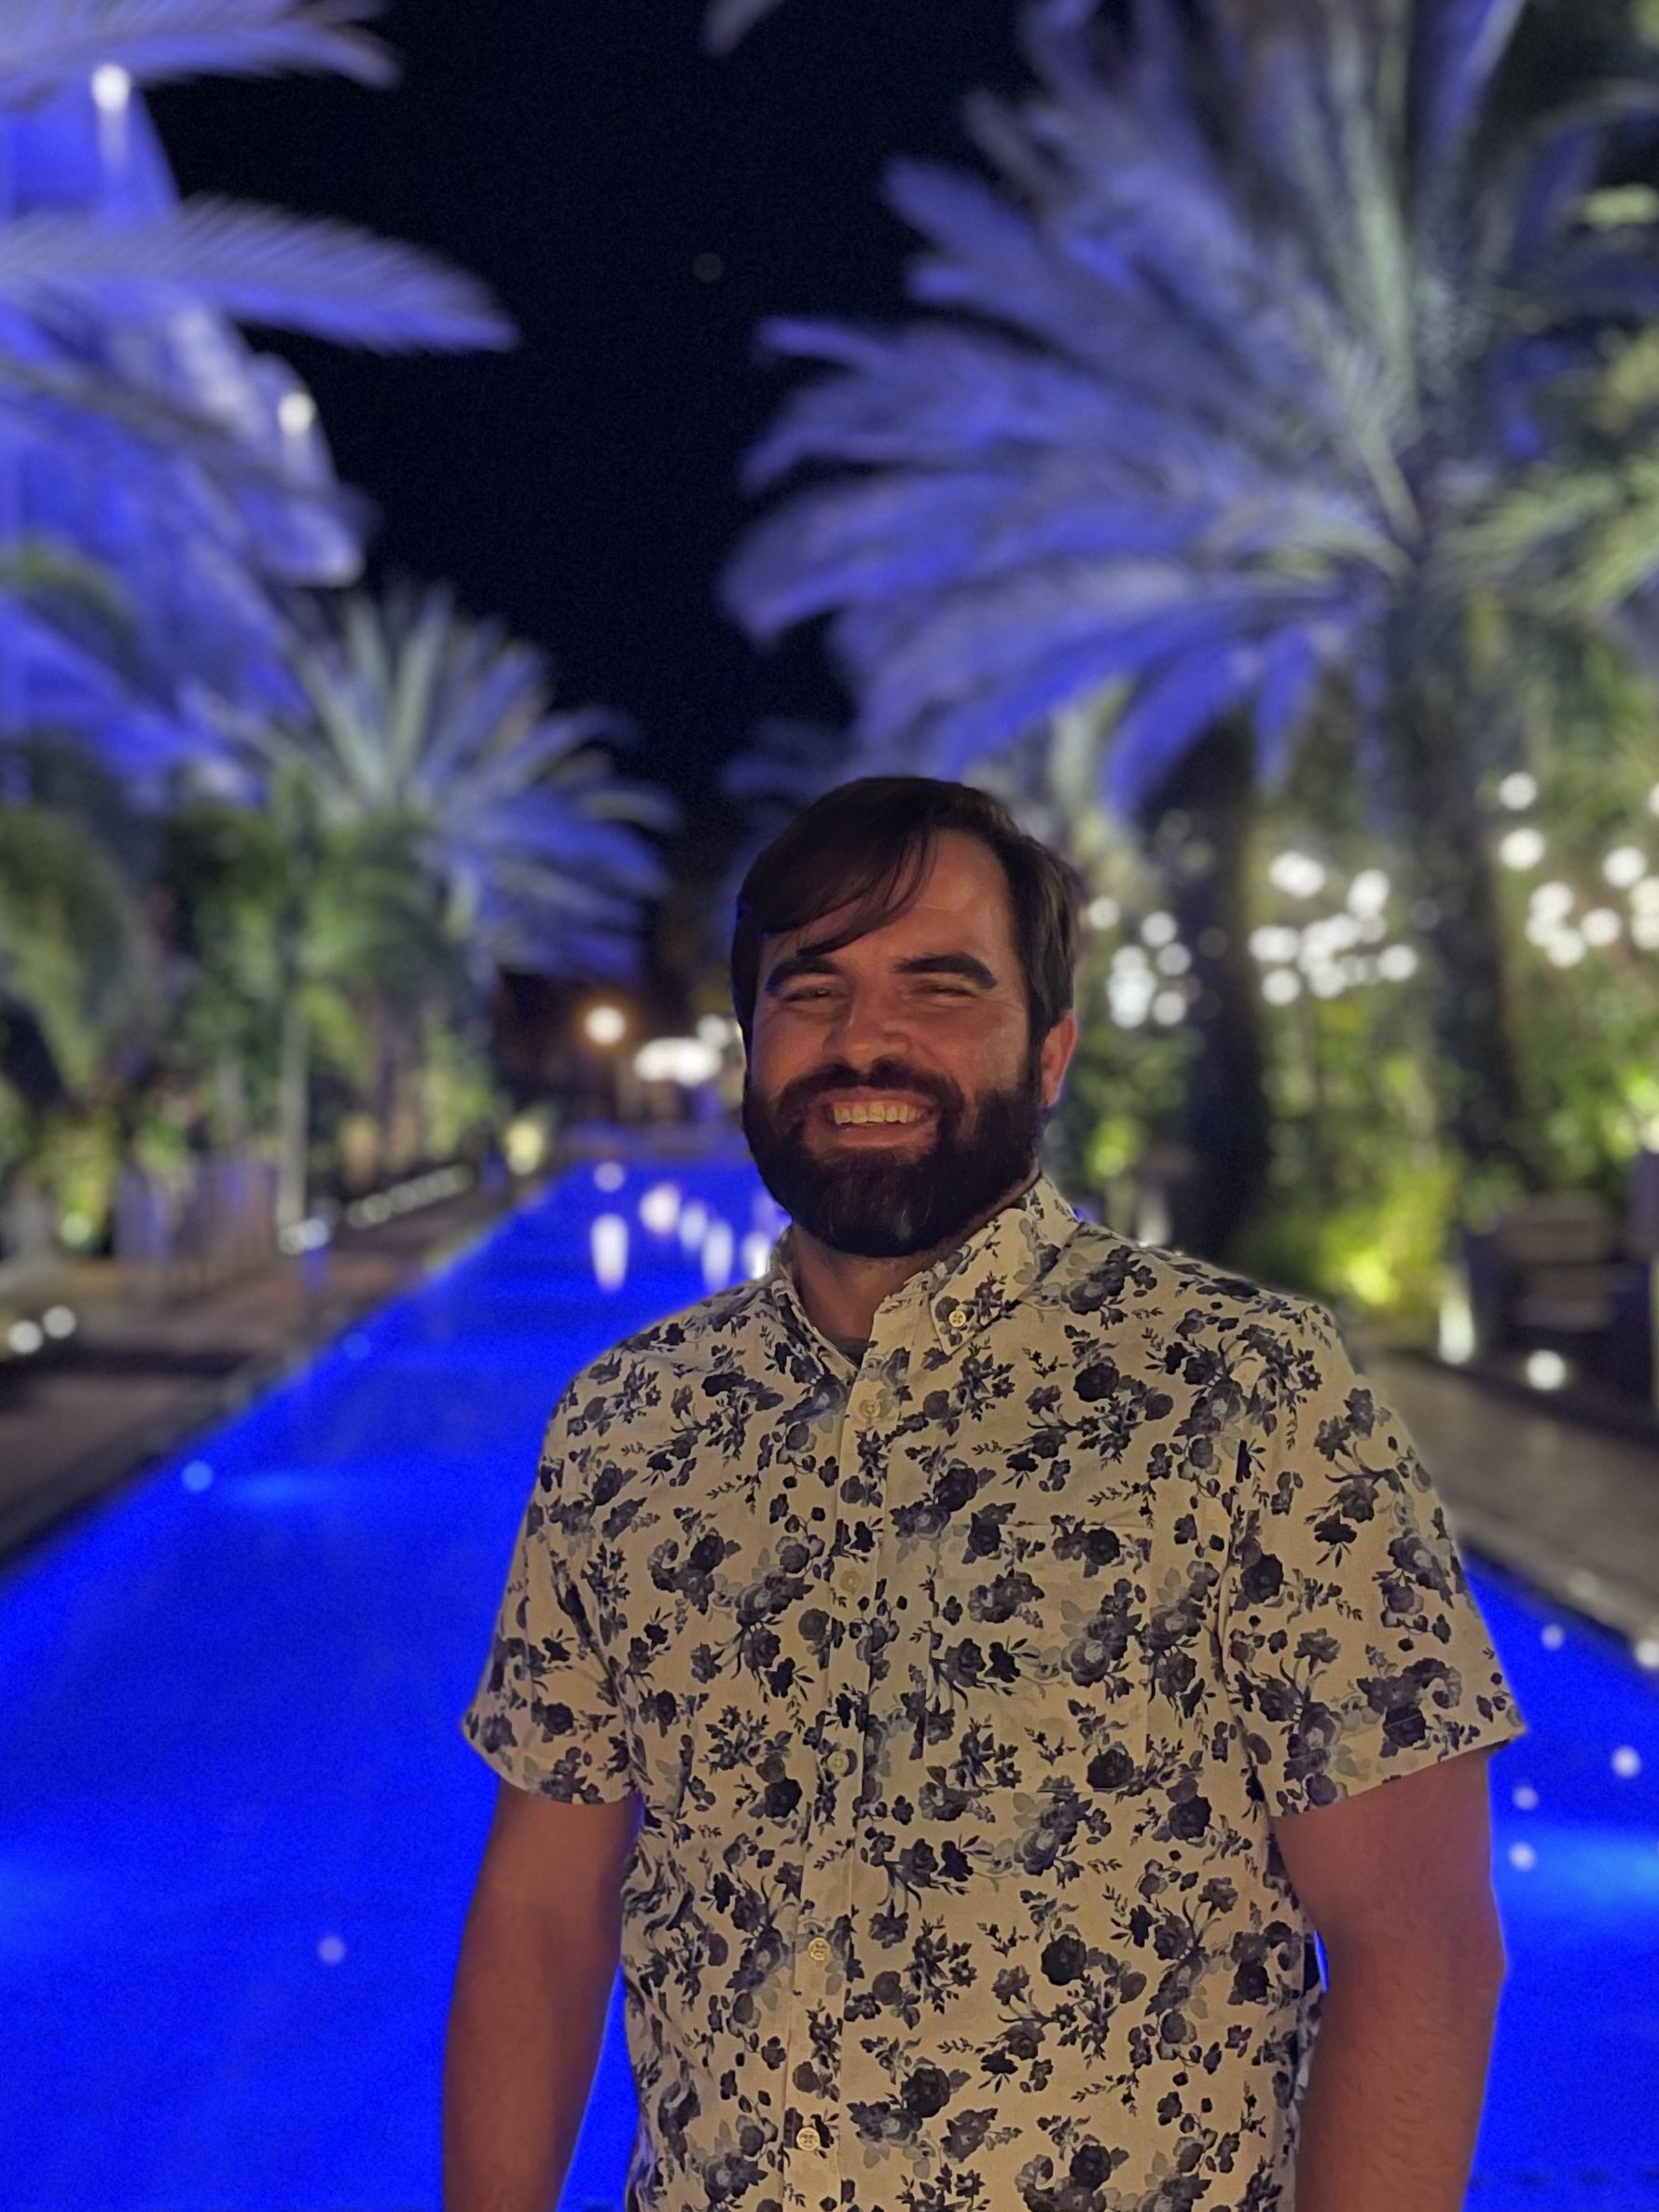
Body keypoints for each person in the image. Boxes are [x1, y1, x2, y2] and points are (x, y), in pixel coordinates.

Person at [446, 776, 1527, 2212]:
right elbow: (539, 1912)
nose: (867, 1040)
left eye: (940, 986)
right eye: (811, 991)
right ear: (750, 1045)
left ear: (1053, 1048)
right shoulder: (629, 1427)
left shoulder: (1250, 1396)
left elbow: (1420, 1944)